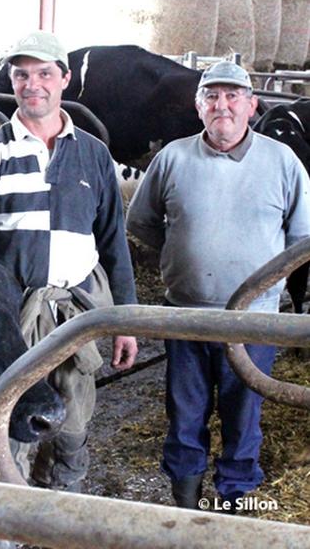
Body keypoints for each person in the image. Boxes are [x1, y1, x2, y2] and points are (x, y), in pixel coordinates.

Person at [0, 30, 138, 499]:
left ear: (65, 79)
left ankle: (60, 505)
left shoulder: (93, 154)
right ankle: (8, 516)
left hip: (79, 310)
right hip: (11, 317)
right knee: (5, 426)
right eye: (22, 75)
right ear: (11, 82)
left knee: (73, 425)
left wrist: (126, 321)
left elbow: (114, 239)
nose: (33, 85)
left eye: (45, 74)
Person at [126, 61, 310, 512]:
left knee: (243, 413)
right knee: (184, 413)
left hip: (254, 321)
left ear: (252, 104)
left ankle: (234, 503)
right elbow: (142, 222)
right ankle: (186, 504)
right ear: (198, 105)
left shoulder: (282, 160)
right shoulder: (172, 157)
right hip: (186, 313)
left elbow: (302, 237)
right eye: (211, 96)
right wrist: (184, 255)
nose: (221, 105)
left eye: (232, 96)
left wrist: (268, 283)